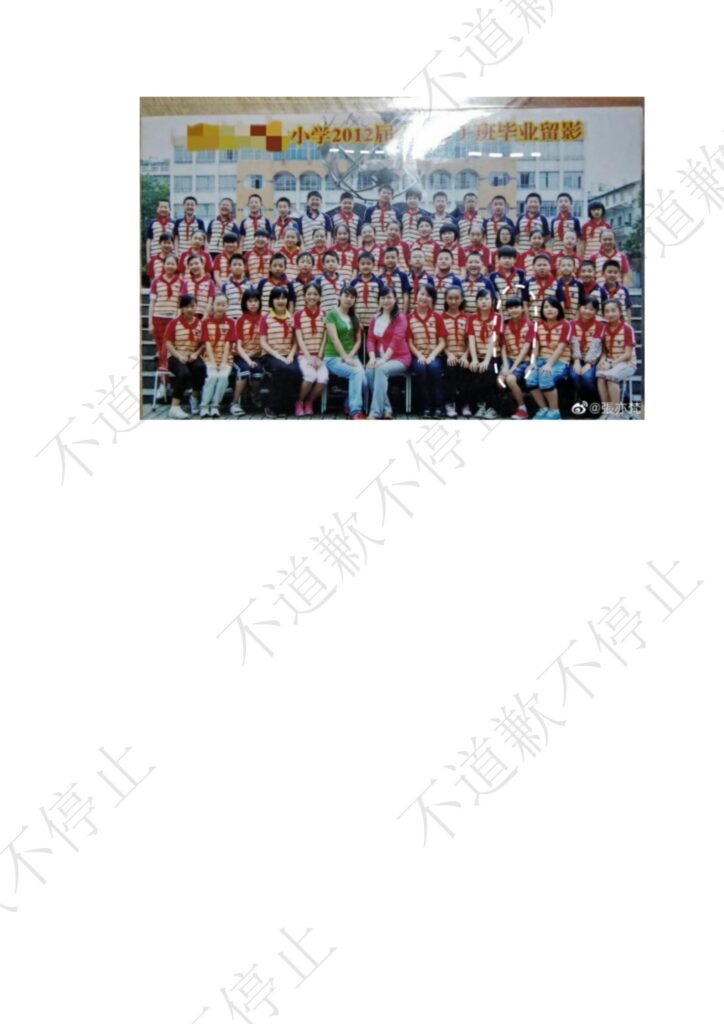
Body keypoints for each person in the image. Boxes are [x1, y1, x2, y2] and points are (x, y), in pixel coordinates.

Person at [365, 287, 411, 419]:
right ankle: (387, 409)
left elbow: (397, 339)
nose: (386, 301)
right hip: (380, 357)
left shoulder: (400, 318)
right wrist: (372, 358)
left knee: (381, 369)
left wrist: (384, 359)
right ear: (379, 300)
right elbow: (370, 339)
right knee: (369, 369)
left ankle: (374, 413)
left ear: (395, 299)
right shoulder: (375, 318)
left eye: (389, 297)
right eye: (383, 298)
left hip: (400, 358)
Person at [323, 286, 368, 419]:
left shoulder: (354, 316)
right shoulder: (332, 314)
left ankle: (348, 404)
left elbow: (358, 341)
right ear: (340, 296)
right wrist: (345, 357)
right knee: (356, 373)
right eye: (346, 296)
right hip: (333, 357)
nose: (349, 299)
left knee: (364, 382)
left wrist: (350, 356)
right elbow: (334, 339)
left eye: (352, 297)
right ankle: (356, 411)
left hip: (352, 356)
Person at [526, 297, 572, 419]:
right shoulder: (537, 325)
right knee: (530, 377)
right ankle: (543, 409)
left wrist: (549, 364)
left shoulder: (566, 325)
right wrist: (533, 363)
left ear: (559, 309)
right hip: (541, 359)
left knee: (545, 375)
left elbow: (561, 347)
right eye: (546, 307)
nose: (549, 309)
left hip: (560, 361)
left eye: (552, 306)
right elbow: (535, 346)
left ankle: (554, 411)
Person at [407, 283, 447, 418]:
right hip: (417, 356)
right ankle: (426, 407)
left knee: (435, 369)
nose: (424, 297)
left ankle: (439, 407)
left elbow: (442, 342)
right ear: (416, 296)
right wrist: (419, 356)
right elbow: (410, 342)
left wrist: (432, 356)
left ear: (433, 300)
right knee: (421, 369)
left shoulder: (437, 317)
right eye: (422, 294)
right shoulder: (409, 318)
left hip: (434, 355)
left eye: (428, 295)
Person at [259, 286, 301, 417]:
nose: (281, 301)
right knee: (281, 369)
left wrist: (291, 355)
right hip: (270, 355)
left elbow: (296, 341)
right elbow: (263, 342)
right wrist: (279, 356)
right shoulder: (265, 318)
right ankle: (271, 406)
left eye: (283, 298)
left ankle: (286, 406)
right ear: (271, 300)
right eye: (277, 298)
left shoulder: (292, 318)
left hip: (288, 354)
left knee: (296, 371)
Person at [163, 294, 206, 418]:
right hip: (175, 356)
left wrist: (196, 354)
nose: (190, 309)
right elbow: (168, 342)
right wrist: (178, 356)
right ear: (181, 308)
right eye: (186, 307)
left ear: (196, 307)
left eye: (192, 306)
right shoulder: (174, 323)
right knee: (183, 373)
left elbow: (203, 343)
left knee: (200, 368)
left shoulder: (200, 324)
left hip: (192, 355)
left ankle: (194, 398)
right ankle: (175, 407)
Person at [148, 253, 182, 397]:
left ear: (177, 266)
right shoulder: (156, 281)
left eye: (173, 263)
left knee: (168, 351)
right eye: (168, 263)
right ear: (163, 265)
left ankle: (171, 382)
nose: (170, 266)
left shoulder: (181, 282)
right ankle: (163, 384)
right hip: (158, 318)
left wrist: (177, 319)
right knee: (161, 351)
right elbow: (152, 303)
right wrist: (150, 322)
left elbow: (180, 303)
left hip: (172, 319)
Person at [467, 287, 504, 419]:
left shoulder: (498, 317)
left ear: (493, 301)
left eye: (487, 299)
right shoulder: (471, 318)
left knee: (489, 371)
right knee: (471, 370)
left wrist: (487, 360)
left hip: (494, 357)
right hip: (477, 356)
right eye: (481, 299)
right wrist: (474, 359)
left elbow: (494, 340)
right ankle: (480, 405)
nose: (484, 302)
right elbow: (471, 339)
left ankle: (492, 407)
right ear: (476, 302)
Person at [294, 281, 328, 416]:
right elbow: (299, 338)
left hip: (319, 355)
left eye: (315, 294)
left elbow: (325, 336)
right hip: (304, 355)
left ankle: (310, 401)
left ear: (320, 296)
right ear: (304, 296)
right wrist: (308, 358)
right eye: (309, 294)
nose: (312, 297)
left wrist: (319, 356)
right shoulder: (298, 315)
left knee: (323, 378)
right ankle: (300, 401)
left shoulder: (324, 314)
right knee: (310, 376)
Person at [597, 299, 636, 417]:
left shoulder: (627, 328)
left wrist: (611, 364)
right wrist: (602, 361)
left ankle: (615, 414)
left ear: (620, 311)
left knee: (611, 377)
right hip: (611, 361)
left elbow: (628, 354)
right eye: (607, 311)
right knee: (600, 376)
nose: (610, 314)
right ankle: (607, 411)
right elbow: (604, 351)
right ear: (603, 314)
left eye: (613, 310)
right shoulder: (604, 329)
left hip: (627, 363)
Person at [200, 294, 235, 417]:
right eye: (218, 304)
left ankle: (215, 405)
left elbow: (228, 343)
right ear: (213, 305)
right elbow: (207, 343)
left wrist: (223, 362)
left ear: (228, 306)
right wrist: (214, 362)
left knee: (223, 377)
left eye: (223, 305)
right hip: (210, 358)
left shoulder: (231, 323)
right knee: (212, 376)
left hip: (226, 358)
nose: (220, 307)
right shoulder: (205, 323)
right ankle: (204, 405)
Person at [230, 287, 264, 416]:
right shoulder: (240, 321)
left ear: (260, 302)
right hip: (241, 356)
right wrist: (248, 359)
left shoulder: (264, 319)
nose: (253, 304)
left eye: (256, 300)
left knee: (258, 372)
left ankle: (253, 395)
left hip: (257, 355)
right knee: (244, 370)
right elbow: (238, 346)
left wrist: (254, 354)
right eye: (250, 301)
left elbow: (264, 342)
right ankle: (234, 403)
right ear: (245, 303)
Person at [500, 296, 535, 419]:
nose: (513, 310)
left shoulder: (530, 326)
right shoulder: (504, 326)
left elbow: (525, 349)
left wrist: (512, 368)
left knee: (510, 379)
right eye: (510, 308)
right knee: (500, 382)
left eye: (516, 307)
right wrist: (505, 366)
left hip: (524, 360)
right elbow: (503, 348)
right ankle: (510, 405)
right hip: (510, 359)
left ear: (522, 308)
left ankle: (522, 408)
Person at [569, 297, 604, 404]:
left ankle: (594, 402)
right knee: (574, 375)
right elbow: (572, 344)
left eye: (591, 309)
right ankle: (583, 400)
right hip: (575, 359)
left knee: (587, 377)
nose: (588, 311)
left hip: (593, 360)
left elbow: (596, 346)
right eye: (585, 308)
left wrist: (589, 363)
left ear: (596, 311)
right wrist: (577, 361)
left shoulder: (600, 326)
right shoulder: (571, 324)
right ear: (579, 307)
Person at [490, 246, 528, 320]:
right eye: (504, 258)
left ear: (515, 260)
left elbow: (521, 293)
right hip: (502, 313)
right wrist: (500, 314)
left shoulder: (520, 273)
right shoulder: (493, 276)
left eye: (510, 258)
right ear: (499, 260)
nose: (507, 261)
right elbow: (497, 296)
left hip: (517, 313)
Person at [378, 246, 412, 312]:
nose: (390, 260)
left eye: (393, 257)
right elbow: (380, 298)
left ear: (397, 259)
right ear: (383, 259)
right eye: (387, 258)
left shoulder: (403, 276)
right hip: (385, 312)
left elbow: (406, 296)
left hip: (399, 312)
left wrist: (404, 313)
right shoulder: (380, 278)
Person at [182, 253, 215, 317]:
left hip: (203, 315)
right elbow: (184, 302)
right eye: (191, 264)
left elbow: (210, 303)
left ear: (202, 264)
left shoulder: (210, 282)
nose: (194, 266)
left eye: (196, 263)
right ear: (188, 267)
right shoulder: (186, 283)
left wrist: (204, 318)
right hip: (189, 316)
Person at [554, 255, 585, 321]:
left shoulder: (579, 285)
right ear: (559, 267)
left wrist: (577, 318)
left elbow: (581, 303)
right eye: (563, 265)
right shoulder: (555, 285)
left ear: (574, 268)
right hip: (559, 320)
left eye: (569, 265)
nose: (566, 267)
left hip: (575, 319)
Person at [221, 253, 249, 320]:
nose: (237, 267)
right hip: (229, 319)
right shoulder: (225, 286)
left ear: (244, 267)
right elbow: (223, 303)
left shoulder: (249, 286)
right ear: (229, 267)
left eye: (240, 264)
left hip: (244, 319)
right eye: (234, 265)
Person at [145, 200, 173, 264]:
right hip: (154, 255)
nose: (163, 209)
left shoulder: (173, 223)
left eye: (165, 207)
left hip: (170, 257)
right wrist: (148, 257)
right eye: (161, 207)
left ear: (170, 209)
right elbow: (148, 240)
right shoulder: (152, 223)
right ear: (157, 209)